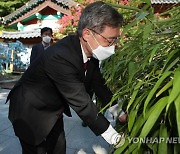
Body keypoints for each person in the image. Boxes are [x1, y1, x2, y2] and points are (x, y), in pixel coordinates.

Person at [6, 1, 125, 154]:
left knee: (58, 148)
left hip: (54, 111)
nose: (113, 47)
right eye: (110, 40)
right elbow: (81, 102)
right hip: (30, 110)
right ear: (87, 34)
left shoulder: (91, 52)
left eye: (116, 40)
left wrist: (119, 112)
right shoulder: (60, 56)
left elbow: (99, 86)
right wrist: (115, 137)